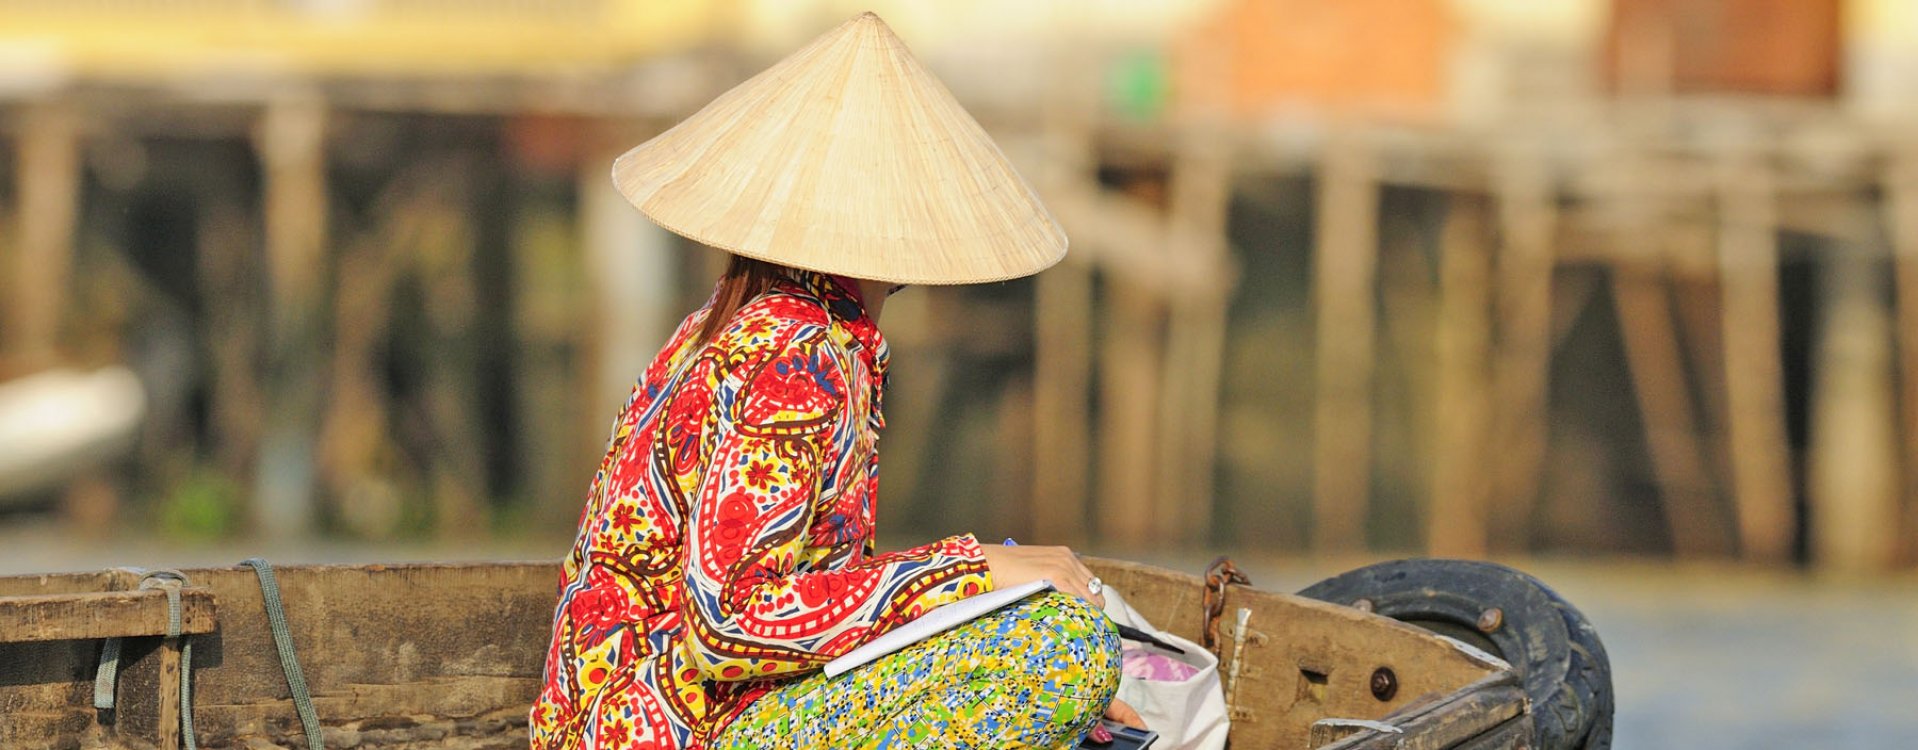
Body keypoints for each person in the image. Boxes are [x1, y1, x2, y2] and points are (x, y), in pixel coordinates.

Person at [531, 12, 1141, 750]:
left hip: (650, 718)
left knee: (1044, 640)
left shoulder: (746, 322)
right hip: (667, 728)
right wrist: (969, 568)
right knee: (1069, 644)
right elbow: (729, 623)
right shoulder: (797, 354)